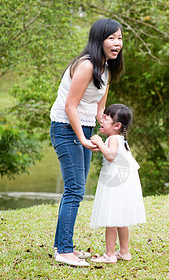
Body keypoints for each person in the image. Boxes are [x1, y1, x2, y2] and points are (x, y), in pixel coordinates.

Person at [49, 18, 124, 267]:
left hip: (85, 128)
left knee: (76, 189)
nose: (117, 43)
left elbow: (99, 105)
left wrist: (104, 132)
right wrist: (81, 137)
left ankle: (62, 245)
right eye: (111, 38)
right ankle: (64, 250)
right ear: (98, 40)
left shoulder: (106, 69)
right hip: (65, 127)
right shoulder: (86, 66)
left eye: (120, 38)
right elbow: (70, 105)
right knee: (75, 189)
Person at [89, 104, 146, 264]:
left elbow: (111, 156)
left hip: (114, 183)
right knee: (121, 219)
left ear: (117, 126)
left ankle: (109, 254)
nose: (101, 120)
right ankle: (124, 252)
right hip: (124, 183)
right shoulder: (121, 139)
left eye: (106, 118)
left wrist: (99, 143)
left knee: (111, 218)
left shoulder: (112, 139)